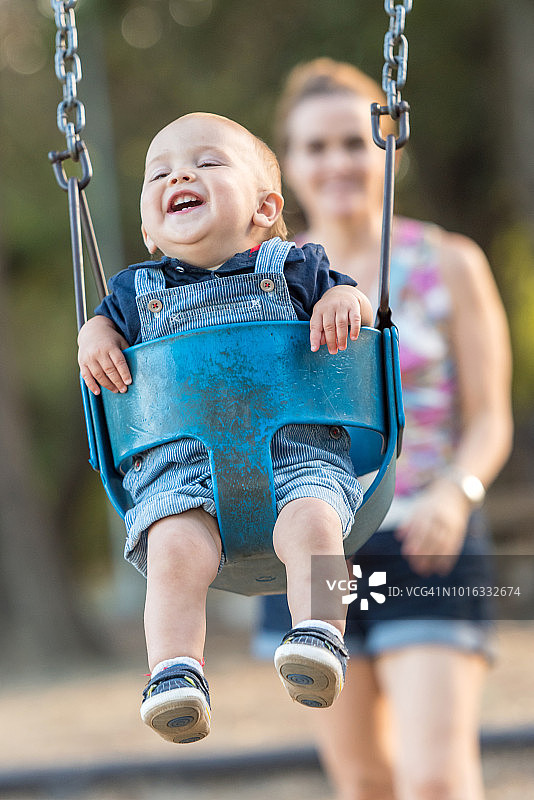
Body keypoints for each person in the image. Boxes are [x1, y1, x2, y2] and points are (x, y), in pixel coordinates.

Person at [253, 59, 513, 800]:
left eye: (351, 141)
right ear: (288, 167)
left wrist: (457, 495)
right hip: (312, 547)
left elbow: (491, 415)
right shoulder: (265, 284)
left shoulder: (449, 263)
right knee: (366, 780)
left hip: (427, 539)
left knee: (433, 777)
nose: (336, 161)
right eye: (315, 147)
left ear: (389, 145)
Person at [77, 111, 374, 745]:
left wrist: (340, 302)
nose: (179, 174)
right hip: (183, 474)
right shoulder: (133, 292)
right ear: (148, 228)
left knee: (315, 522)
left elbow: (352, 300)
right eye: (160, 172)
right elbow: (99, 330)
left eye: (208, 163)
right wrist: (94, 336)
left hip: (296, 457)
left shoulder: (295, 265)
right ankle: (175, 672)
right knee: (174, 551)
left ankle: (320, 635)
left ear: (265, 208)